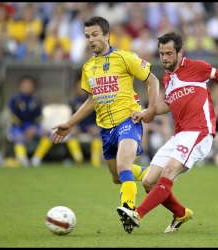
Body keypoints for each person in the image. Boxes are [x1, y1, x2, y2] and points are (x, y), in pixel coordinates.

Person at [116, 29, 218, 234]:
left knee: (169, 172)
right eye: (162, 53)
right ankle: (181, 213)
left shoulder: (197, 67)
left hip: (199, 131)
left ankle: (138, 214)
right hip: (179, 134)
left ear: (180, 53)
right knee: (148, 181)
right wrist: (146, 112)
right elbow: (168, 104)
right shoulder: (167, 78)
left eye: (168, 53)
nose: (164, 58)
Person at [49, 16, 160, 232]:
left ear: (107, 35)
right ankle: (151, 174)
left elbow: (153, 81)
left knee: (123, 165)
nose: (91, 40)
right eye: (87, 36)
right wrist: (70, 123)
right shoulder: (88, 67)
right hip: (106, 129)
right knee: (117, 176)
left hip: (129, 120)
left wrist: (150, 110)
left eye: (95, 35)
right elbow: (92, 100)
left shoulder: (125, 57)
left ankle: (129, 210)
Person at [8, 75, 53, 167]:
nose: (27, 88)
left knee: (49, 135)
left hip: (32, 126)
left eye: (29, 86)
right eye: (24, 86)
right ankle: (22, 159)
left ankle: (36, 158)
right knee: (18, 136)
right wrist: (24, 129)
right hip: (18, 127)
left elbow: (40, 116)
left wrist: (34, 127)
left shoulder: (36, 100)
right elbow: (13, 117)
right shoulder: (14, 100)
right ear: (20, 87)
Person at [67, 73, 102, 167]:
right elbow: (72, 117)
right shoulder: (73, 102)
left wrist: (97, 126)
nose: (80, 89)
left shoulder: (94, 99)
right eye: (78, 87)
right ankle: (78, 159)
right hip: (80, 126)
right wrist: (74, 127)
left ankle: (95, 160)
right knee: (72, 134)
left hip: (92, 125)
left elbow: (99, 115)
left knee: (96, 134)